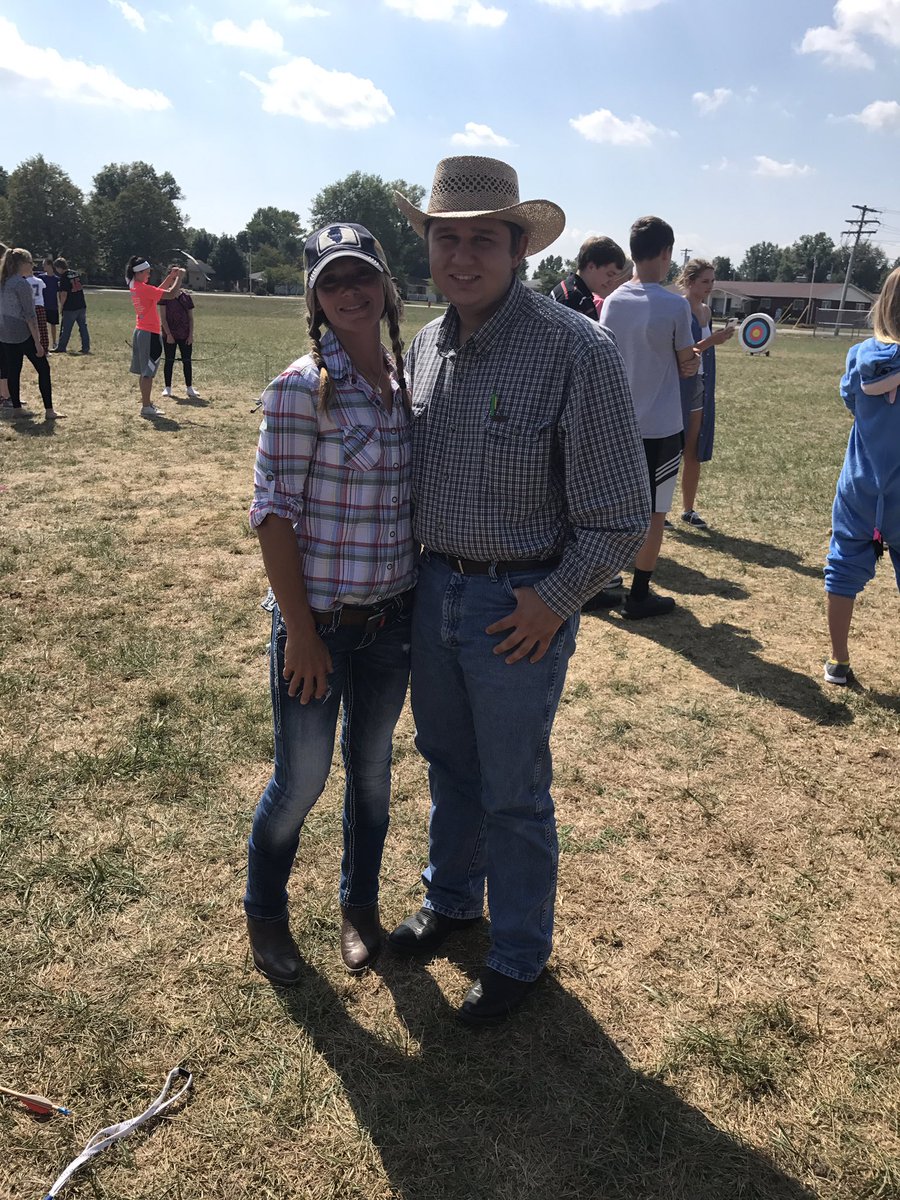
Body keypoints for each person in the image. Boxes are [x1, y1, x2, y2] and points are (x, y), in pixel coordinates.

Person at [389, 156, 650, 1026]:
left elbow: (618, 515)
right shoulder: (426, 347)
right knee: (448, 765)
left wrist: (554, 600)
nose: (463, 256)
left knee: (512, 786)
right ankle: (454, 900)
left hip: (518, 606)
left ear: (518, 249)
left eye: (482, 240)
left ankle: (519, 953)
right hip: (435, 592)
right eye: (447, 238)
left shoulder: (576, 349)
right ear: (428, 245)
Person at [244, 223, 415, 985]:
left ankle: (358, 905)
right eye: (334, 280)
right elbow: (272, 515)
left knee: (373, 773)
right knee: (302, 780)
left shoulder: (406, 380)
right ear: (313, 294)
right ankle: (266, 914)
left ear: (385, 284)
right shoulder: (297, 388)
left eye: (363, 276)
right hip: (319, 626)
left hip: (391, 621)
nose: (352, 292)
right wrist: (301, 634)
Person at [600, 216, 698, 619]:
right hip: (660, 428)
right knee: (655, 513)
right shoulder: (676, 304)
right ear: (666, 253)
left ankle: (600, 585)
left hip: (616, 425)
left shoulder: (613, 301)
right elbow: (686, 363)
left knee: (609, 509)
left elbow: (604, 355)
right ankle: (639, 594)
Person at [823, 266, 900, 686]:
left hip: (861, 484)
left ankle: (839, 659)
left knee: (843, 567)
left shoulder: (860, 356)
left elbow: (852, 401)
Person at [676, 258, 735, 529]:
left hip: (700, 385)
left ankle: (688, 509)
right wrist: (713, 340)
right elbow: (682, 352)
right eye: (705, 281)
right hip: (676, 386)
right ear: (689, 281)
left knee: (693, 448)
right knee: (667, 451)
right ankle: (657, 512)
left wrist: (714, 340)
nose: (710, 286)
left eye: (712, 281)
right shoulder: (677, 308)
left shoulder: (706, 311)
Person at [0, 247, 60, 420]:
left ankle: (17, 408)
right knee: (43, 369)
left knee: (13, 371)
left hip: (5, 334)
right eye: (30, 262)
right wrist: (38, 342)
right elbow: (29, 316)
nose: (32, 266)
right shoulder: (21, 283)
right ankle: (49, 410)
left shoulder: (4, 281)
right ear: (21, 264)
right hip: (21, 333)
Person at [125, 256, 186, 418]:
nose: (148, 275)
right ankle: (146, 406)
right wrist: (179, 277)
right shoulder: (144, 288)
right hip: (149, 335)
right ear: (138, 273)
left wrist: (169, 277)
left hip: (140, 332)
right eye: (146, 272)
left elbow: (157, 292)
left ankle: (146, 402)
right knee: (148, 373)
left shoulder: (135, 285)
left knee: (144, 372)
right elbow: (171, 294)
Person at [551, 235, 626, 322]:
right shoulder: (573, 298)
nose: (612, 282)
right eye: (609, 274)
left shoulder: (573, 292)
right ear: (591, 267)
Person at [159, 265, 202, 400]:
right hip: (169, 334)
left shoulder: (186, 297)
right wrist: (169, 334)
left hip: (184, 333)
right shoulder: (164, 296)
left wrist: (190, 335)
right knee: (169, 360)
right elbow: (163, 318)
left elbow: (190, 318)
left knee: (187, 361)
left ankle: (189, 387)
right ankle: (168, 387)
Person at [52, 257, 90, 355]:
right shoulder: (75, 273)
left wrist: (62, 305)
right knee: (83, 327)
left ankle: (61, 347)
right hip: (81, 304)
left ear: (59, 267)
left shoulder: (64, 277)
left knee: (66, 328)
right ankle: (86, 347)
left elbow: (64, 293)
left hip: (71, 306)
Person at [38, 257, 60, 351]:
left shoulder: (57, 279)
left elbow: (59, 293)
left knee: (53, 324)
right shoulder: (41, 277)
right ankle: (40, 343)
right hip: (43, 305)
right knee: (41, 326)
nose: (43, 266)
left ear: (50, 265)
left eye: (44, 264)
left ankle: (54, 342)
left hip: (53, 305)